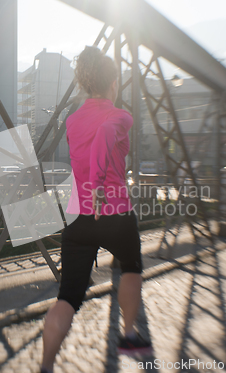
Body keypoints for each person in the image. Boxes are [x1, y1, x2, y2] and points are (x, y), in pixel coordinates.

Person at [40, 46, 152, 373]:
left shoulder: (72, 120)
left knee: (68, 298)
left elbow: (90, 142)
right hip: (114, 212)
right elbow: (104, 135)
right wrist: (100, 187)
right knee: (131, 268)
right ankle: (129, 335)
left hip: (78, 218)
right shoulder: (121, 116)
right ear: (114, 83)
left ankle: (46, 365)